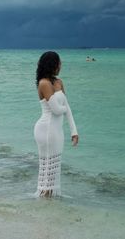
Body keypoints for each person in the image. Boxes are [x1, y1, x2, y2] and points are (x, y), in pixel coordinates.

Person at [34, 51, 79, 198]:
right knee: (47, 168)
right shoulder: (44, 83)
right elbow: (57, 109)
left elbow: (67, 107)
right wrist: (60, 93)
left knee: (53, 168)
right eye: (59, 62)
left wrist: (74, 131)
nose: (61, 65)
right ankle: (44, 198)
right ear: (52, 64)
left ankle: (48, 199)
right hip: (46, 129)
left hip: (56, 131)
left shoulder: (59, 82)